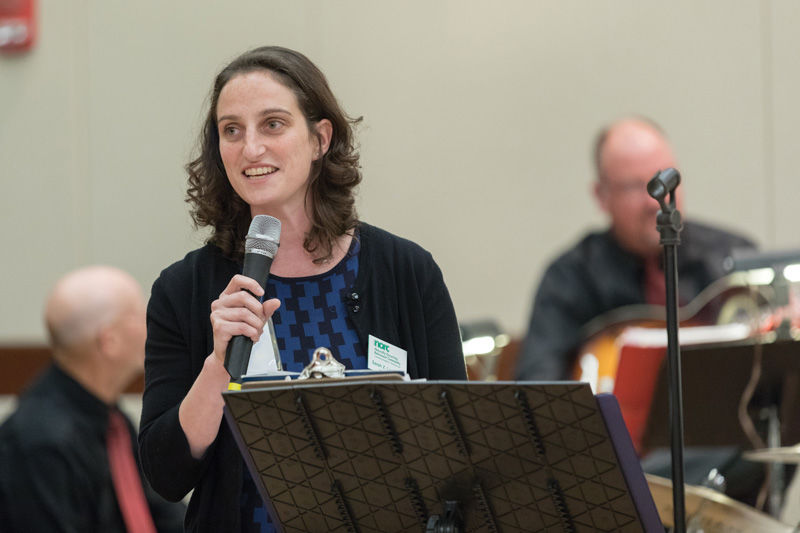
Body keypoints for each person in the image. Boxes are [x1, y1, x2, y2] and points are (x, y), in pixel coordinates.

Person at [138, 45, 466, 532]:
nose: (251, 149)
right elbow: (166, 475)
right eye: (232, 130)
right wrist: (216, 368)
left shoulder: (405, 272)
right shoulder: (184, 289)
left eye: (272, 124)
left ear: (320, 138)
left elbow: (456, 452)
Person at [515, 117, 756, 382]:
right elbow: (539, 387)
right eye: (636, 186)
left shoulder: (732, 255)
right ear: (601, 196)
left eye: (666, 180)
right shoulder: (568, 278)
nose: (655, 202)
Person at [0, 266, 185, 533]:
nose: (153, 321)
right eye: (140, 313)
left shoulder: (113, 421)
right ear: (109, 341)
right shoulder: (39, 444)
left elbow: (164, 516)